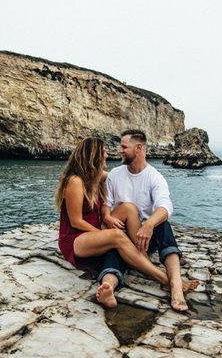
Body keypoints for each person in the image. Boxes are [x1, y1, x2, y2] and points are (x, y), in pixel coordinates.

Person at [55, 137, 174, 308]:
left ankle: (141, 254)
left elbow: (121, 177)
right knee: (118, 236)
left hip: (93, 231)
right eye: (103, 153)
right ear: (94, 156)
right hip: (75, 239)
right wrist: (105, 234)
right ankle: (163, 278)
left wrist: (145, 179)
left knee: (129, 207)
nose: (106, 155)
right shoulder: (76, 181)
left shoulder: (97, 176)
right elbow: (76, 222)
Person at [101, 130, 198, 311]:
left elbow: (165, 206)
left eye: (124, 147)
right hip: (121, 232)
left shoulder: (155, 177)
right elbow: (106, 204)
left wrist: (149, 225)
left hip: (144, 237)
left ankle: (176, 287)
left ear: (138, 148)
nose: (120, 150)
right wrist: (106, 215)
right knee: (114, 254)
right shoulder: (115, 174)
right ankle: (108, 289)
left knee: (163, 226)